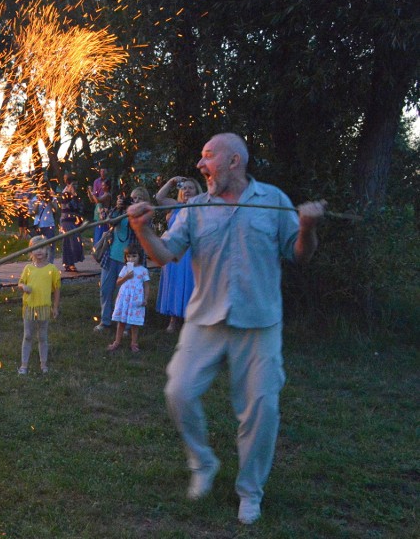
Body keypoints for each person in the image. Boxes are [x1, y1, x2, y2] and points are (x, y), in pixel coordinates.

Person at [127, 132, 326, 525]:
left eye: (207, 157)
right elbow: (166, 254)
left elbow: (300, 253)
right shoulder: (196, 207)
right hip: (206, 319)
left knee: (262, 409)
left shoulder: (273, 201)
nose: (200, 166)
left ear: (234, 161)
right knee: (178, 391)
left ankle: (250, 491)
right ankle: (203, 463)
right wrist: (142, 231)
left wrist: (306, 227)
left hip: (259, 322)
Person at [154, 176, 203, 333]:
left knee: (191, 283)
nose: (187, 190)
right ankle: (174, 319)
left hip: (192, 252)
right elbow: (159, 198)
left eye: (191, 187)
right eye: (184, 188)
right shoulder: (176, 206)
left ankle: (191, 320)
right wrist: (171, 182)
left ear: (197, 191)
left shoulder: (202, 206)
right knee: (175, 282)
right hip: (175, 251)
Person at [95, 188, 143, 332]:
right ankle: (105, 321)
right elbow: (110, 221)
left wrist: (133, 211)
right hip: (111, 256)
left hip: (130, 260)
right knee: (106, 289)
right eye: (132, 198)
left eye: (138, 198)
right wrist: (118, 207)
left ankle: (127, 324)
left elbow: (142, 227)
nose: (135, 200)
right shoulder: (121, 211)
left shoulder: (143, 214)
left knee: (128, 292)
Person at [17, 235, 61, 374]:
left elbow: (57, 289)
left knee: (42, 336)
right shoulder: (28, 268)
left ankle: (43, 364)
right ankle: (24, 364)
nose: (39, 251)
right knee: (28, 335)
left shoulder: (52, 269)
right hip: (29, 307)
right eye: (35, 248)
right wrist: (23, 287)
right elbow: (20, 283)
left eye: (42, 247)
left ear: (47, 249)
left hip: (44, 307)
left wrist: (55, 307)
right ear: (31, 251)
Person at [107, 244, 150, 352]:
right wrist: (126, 277)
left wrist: (145, 298)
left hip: (136, 299)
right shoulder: (125, 268)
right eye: (128, 256)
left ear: (139, 257)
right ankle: (117, 341)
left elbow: (146, 285)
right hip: (125, 298)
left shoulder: (143, 270)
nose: (131, 259)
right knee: (121, 321)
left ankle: (134, 343)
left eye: (134, 256)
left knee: (134, 323)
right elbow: (118, 282)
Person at [59, 173, 84, 273]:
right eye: (74, 185)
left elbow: (80, 206)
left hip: (74, 221)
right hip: (66, 221)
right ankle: (69, 263)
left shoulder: (74, 194)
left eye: (76, 185)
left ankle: (69, 263)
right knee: (71, 242)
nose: (76, 187)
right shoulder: (65, 194)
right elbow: (71, 207)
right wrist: (73, 196)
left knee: (72, 242)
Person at [29, 187, 57, 263]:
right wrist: (39, 201)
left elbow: (55, 210)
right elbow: (34, 211)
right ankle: (37, 263)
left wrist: (49, 200)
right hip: (39, 225)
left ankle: (49, 263)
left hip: (49, 224)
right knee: (37, 245)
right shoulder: (35, 198)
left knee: (50, 246)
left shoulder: (52, 197)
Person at [88, 178, 112, 245]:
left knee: (101, 238)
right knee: (97, 237)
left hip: (103, 220)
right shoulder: (103, 194)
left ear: (107, 186)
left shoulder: (107, 195)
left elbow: (98, 200)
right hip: (98, 218)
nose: (102, 187)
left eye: (103, 185)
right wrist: (89, 192)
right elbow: (92, 200)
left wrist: (92, 192)